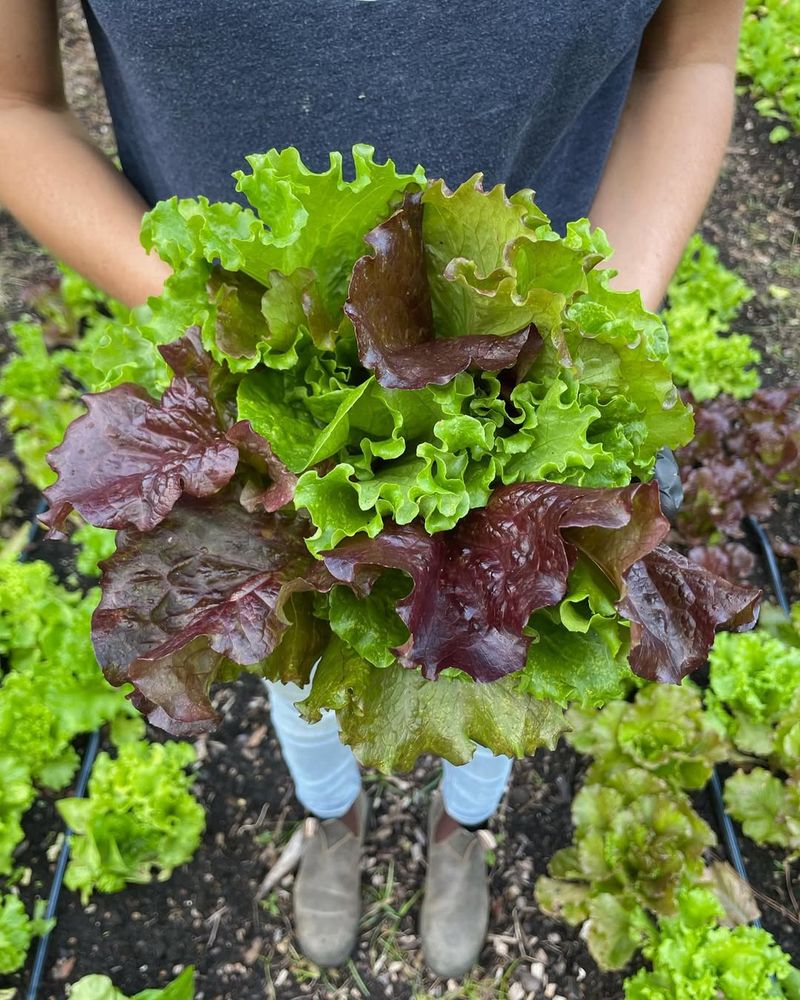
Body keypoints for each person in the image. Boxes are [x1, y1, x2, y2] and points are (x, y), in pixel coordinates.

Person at [0, 0, 744, 979]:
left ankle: (461, 828)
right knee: (299, 660)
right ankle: (331, 814)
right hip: (263, 408)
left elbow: (686, 64)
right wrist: (239, 332)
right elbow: (15, 104)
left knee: (505, 650)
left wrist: (587, 336)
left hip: (536, 374)